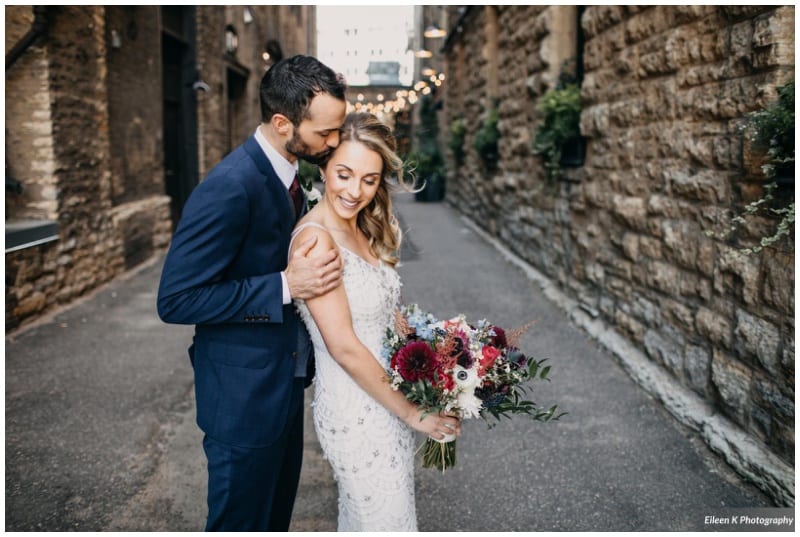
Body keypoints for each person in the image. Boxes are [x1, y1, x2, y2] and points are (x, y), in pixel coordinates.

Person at [156, 55, 347, 531]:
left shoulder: (289, 173)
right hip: (241, 402)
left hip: (282, 389)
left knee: (273, 520)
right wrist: (285, 285)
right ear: (283, 123)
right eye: (325, 133)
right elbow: (176, 298)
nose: (335, 142)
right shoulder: (229, 186)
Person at [290, 112, 462, 531]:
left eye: (369, 180)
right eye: (344, 174)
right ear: (325, 167)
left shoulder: (359, 226)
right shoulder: (316, 240)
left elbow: (385, 315)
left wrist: (435, 370)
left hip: (385, 397)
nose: (355, 191)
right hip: (357, 411)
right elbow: (344, 346)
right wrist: (411, 413)